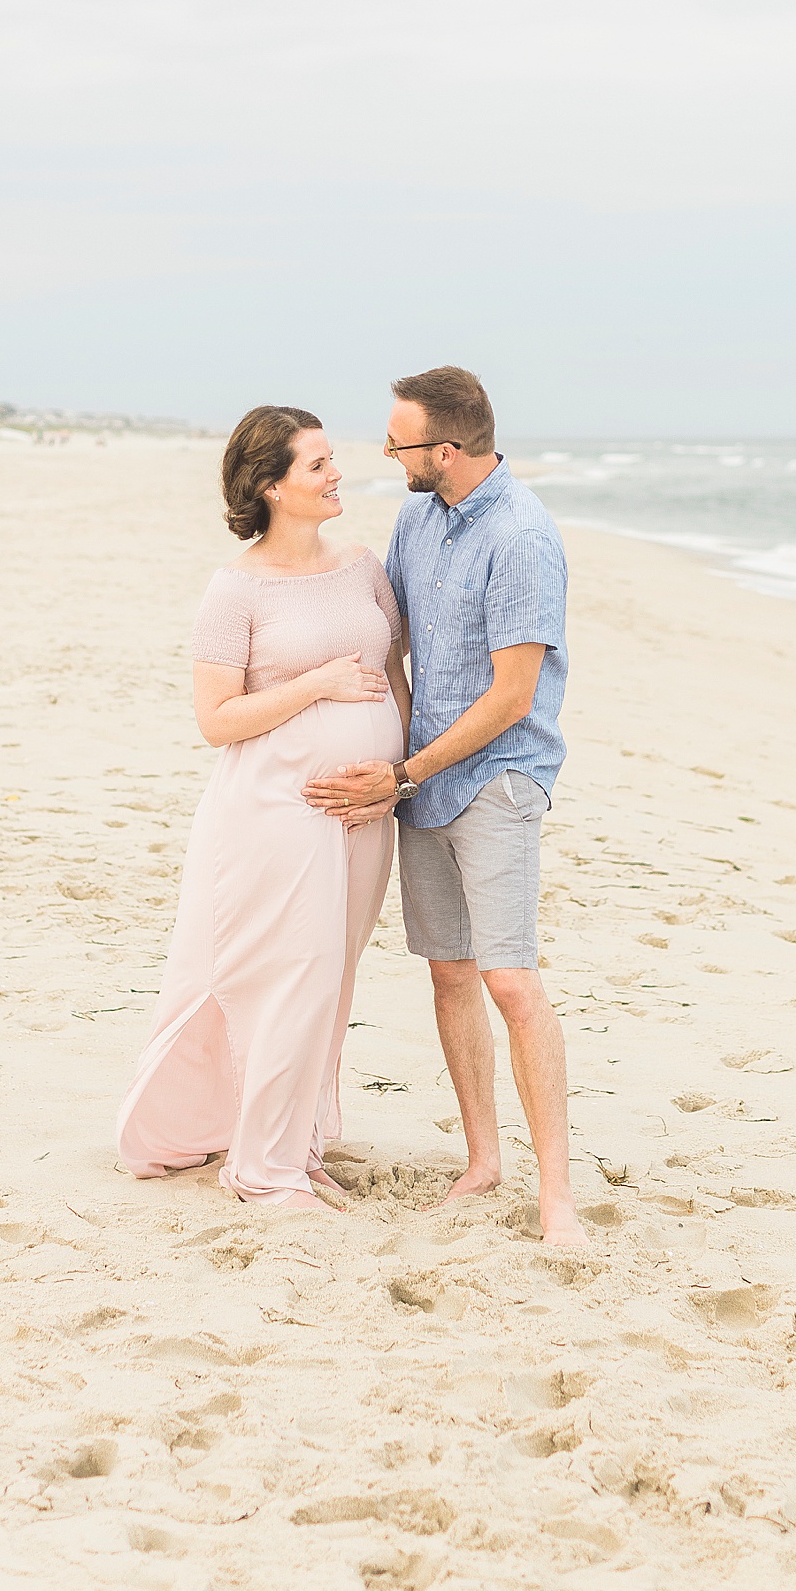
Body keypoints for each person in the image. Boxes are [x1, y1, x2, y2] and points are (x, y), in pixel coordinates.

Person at [303, 366, 587, 1248]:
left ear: (449, 450)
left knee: (510, 979)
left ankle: (558, 1199)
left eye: (401, 443)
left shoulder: (523, 536)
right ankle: (482, 1162)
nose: (389, 455)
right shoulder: (417, 519)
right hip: (422, 777)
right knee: (450, 972)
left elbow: (510, 697)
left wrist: (403, 773)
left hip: (497, 774)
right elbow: (392, 641)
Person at [114, 406, 409, 1210]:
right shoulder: (234, 589)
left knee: (333, 980)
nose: (335, 473)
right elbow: (216, 721)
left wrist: (396, 777)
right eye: (317, 465)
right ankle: (263, 1169)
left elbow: (397, 677)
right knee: (292, 976)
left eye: (330, 458)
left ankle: (298, 1145)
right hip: (275, 809)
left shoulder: (362, 566)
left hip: (363, 812)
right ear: (273, 485)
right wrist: (315, 685)